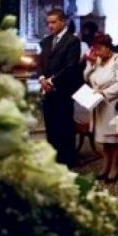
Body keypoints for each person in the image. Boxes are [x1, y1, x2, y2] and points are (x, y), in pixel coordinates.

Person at [38, 9, 81, 167]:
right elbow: (40, 63)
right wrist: (42, 78)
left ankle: (67, 161)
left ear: (63, 21)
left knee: (64, 126)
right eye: (48, 22)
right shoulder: (47, 41)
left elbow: (71, 68)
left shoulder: (72, 41)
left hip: (63, 90)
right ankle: (53, 159)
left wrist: (51, 82)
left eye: (53, 22)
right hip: (47, 91)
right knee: (51, 126)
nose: (50, 26)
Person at [84, 34, 118, 182]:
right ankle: (106, 163)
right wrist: (90, 65)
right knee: (103, 139)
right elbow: (86, 78)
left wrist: (104, 93)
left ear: (108, 47)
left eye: (99, 49)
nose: (97, 53)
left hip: (113, 103)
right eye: (95, 49)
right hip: (99, 104)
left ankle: (115, 166)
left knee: (114, 138)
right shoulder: (97, 60)